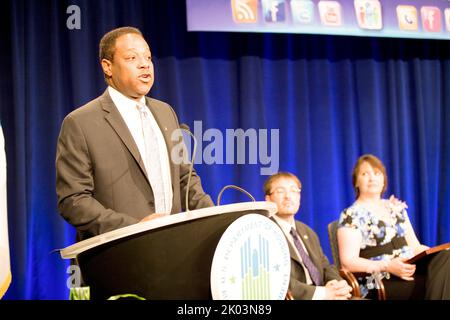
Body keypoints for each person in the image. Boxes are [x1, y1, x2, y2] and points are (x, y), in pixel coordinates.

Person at [56, 27, 214, 241]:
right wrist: (133, 228)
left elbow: (185, 178)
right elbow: (73, 200)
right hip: (121, 252)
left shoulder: (165, 112)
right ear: (108, 67)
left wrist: (215, 218)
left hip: (176, 246)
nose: (144, 64)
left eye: (148, 57)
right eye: (132, 57)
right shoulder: (81, 123)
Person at [337, 154, 450, 299]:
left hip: (410, 268)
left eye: (377, 173)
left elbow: (415, 247)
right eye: (365, 174)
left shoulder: (395, 208)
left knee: (446, 258)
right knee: (438, 283)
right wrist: (388, 266)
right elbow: (348, 263)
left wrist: (435, 253)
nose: (372, 178)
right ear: (356, 182)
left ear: (384, 180)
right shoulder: (350, 215)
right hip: (381, 278)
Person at [264, 172, 352, 300]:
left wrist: (336, 283)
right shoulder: (265, 232)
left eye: (294, 191)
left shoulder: (307, 231)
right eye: (280, 191)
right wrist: (323, 294)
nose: (288, 196)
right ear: (268, 199)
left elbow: (326, 266)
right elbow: (276, 280)